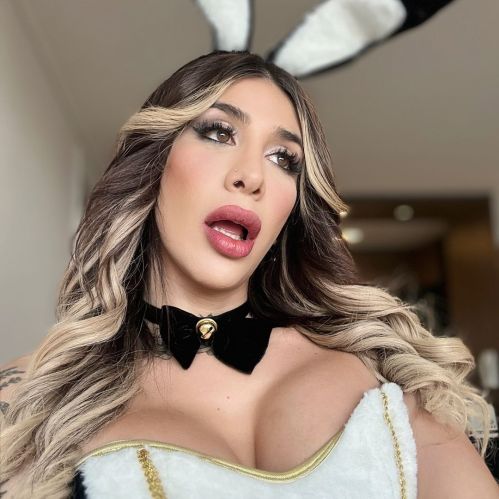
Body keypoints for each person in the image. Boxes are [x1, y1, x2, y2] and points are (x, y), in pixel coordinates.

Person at [0, 51, 497, 499]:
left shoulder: (385, 369)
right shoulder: (32, 397)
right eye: (219, 132)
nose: (252, 176)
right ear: (155, 162)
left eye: (283, 159)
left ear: (292, 210)